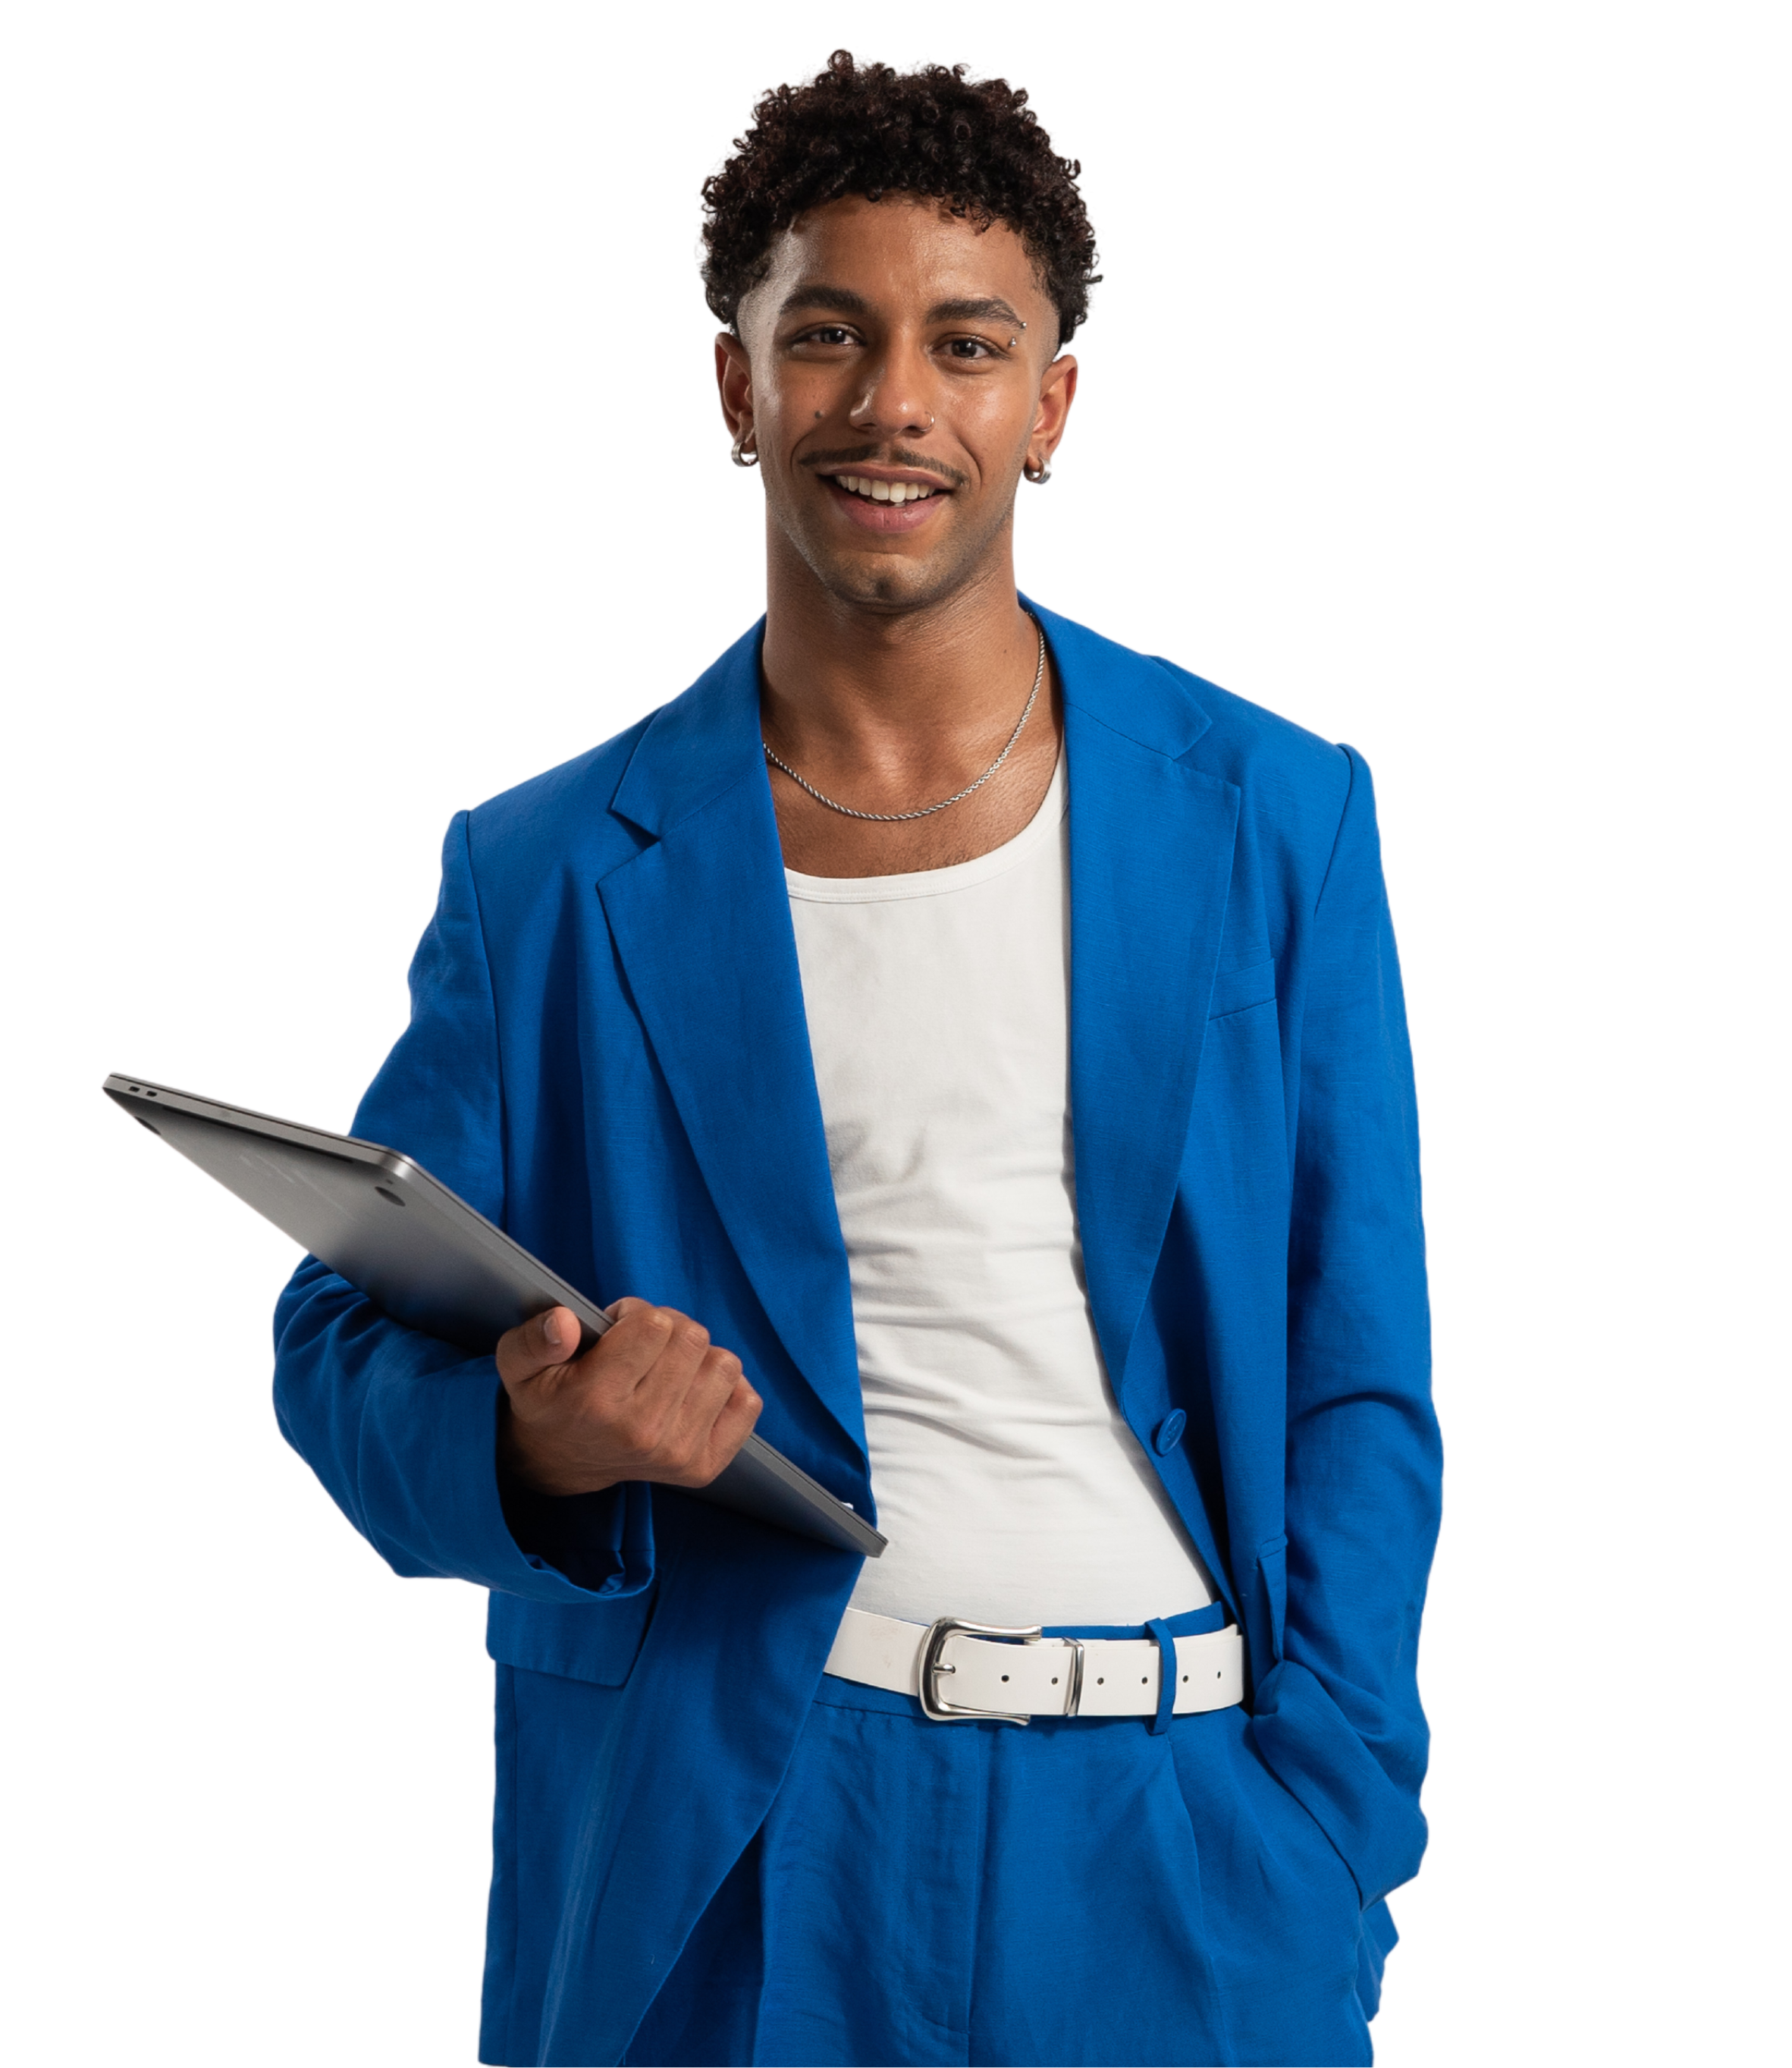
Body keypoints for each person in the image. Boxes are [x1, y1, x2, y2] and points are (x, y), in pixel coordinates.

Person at [272, 49, 1442, 2068]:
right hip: (735, 1837)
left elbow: (1357, 1374)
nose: (893, 400)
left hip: (1177, 1846)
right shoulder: (545, 871)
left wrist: (1331, 1829)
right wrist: (545, 1440)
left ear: (1049, 408)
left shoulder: (1276, 812)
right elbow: (337, 1343)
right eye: (828, 334)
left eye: (964, 345)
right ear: (737, 388)